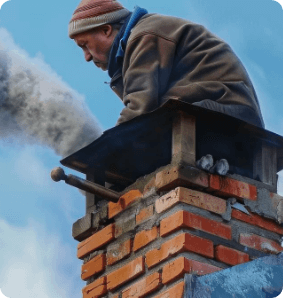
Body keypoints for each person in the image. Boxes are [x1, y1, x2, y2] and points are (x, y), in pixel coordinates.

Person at [68, 0, 264, 128]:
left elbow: (140, 108)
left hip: (226, 111)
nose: (86, 57)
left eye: (84, 45)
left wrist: (103, 155)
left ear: (106, 30)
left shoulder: (144, 36)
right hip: (218, 110)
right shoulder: (140, 37)